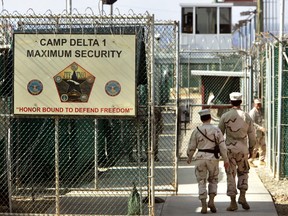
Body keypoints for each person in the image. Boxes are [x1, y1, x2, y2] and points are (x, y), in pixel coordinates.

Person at [218, 92, 256, 211]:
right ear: (241, 102)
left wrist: (220, 150)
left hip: (229, 148)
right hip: (243, 148)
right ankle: (243, 196)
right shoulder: (246, 116)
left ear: (230, 102)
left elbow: (219, 134)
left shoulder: (225, 116)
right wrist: (251, 148)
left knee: (230, 174)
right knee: (243, 172)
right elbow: (252, 136)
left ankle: (233, 202)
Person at [187, 109, 229, 214]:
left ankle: (203, 204)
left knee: (201, 181)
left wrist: (189, 157)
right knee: (213, 179)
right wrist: (226, 160)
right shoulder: (216, 130)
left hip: (200, 158)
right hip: (213, 158)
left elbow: (192, 146)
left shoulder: (196, 130)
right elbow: (222, 146)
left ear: (201, 119)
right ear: (210, 118)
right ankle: (211, 201)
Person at [248, 98, 266, 167]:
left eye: (260, 104)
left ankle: (262, 160)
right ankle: (250, 161)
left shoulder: (261, 111)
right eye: (257, 104)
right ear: (254, 104)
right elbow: (252, 123)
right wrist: (260, 128)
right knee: (255, 147)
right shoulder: (252, 112)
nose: (259, 105)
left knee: (263, 146)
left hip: (261, 132)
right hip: (255, 132)